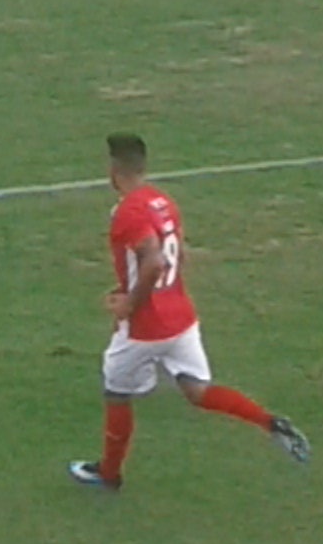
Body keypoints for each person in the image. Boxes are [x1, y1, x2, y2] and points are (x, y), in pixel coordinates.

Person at [70, 134, 310, 490]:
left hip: (145, 328)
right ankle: (268, 422)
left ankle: (109, 472)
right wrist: (128, 289)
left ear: (113, 170)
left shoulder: (128, 212)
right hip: (180, 318)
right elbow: (175, 257)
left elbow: (152, 261)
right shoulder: (162, 202)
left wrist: (130, 303)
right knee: (198, 391)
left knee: (116, 392)